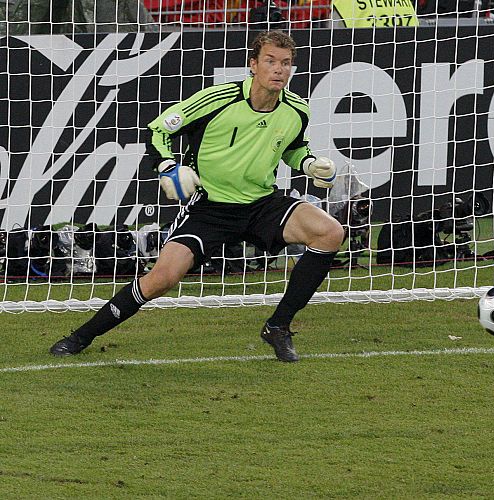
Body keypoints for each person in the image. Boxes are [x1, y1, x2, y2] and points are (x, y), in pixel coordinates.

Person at [49, 30, 344, 363]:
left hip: (261, 203)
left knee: (329, 232)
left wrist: (308, 163)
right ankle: (81, 336)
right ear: (253, 65)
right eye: (271, 61)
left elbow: (292, 148)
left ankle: (278, 326)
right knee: (162, 278)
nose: (279, 69)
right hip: (209, 208)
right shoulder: (217, 99)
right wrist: (167, 165)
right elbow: (158, 129)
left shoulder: (296, 110)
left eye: (286, 63)